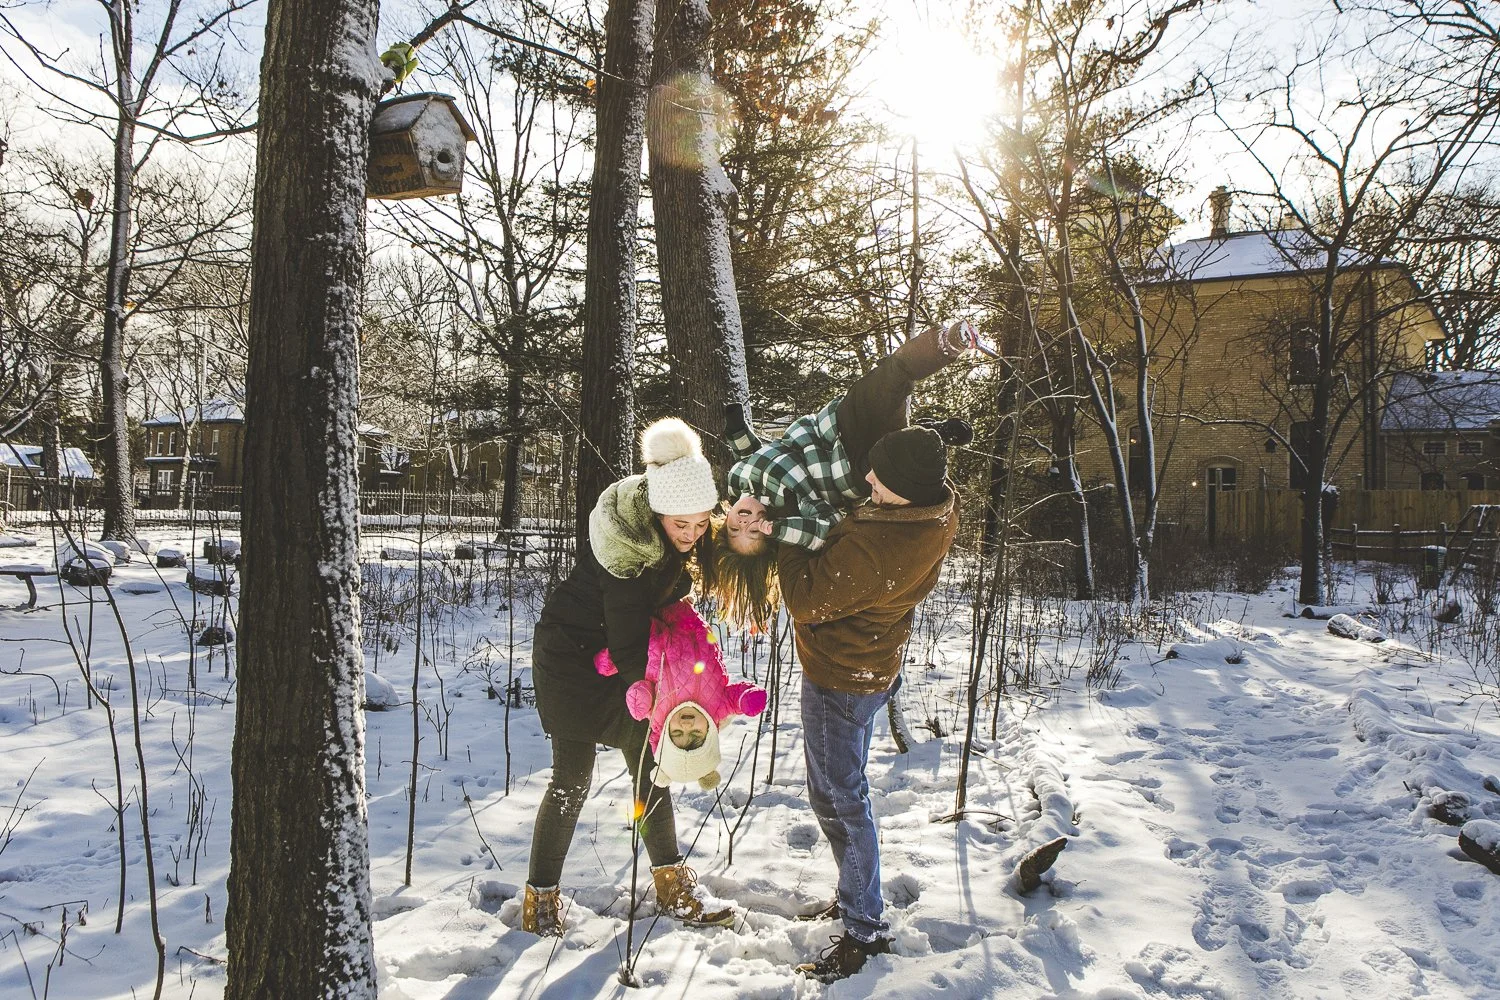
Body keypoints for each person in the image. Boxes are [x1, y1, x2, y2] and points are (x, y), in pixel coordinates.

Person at [523, 417, 733, 937]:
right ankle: (540, 898)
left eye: (702, 523)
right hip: (573, 659)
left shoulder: (686, 528)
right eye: (680, 525)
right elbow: (623, 636)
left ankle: (670, 885)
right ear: (658, 511)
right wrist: (659, 693)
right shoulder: (626, 549)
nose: (691, 535)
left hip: (626, 657)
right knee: (572, 780)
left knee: (650, 769)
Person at [777, 424, 961, 982]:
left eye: (880, 486)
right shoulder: (932, 508)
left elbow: (806, 599)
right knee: (830, 790)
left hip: (843, 678)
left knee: (841, 797)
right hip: (860, 666)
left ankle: (863, 929)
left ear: (908, 490)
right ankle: (855, 895)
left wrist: (787, 535)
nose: (867, 488)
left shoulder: (887, 546)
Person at [713, 320, 978, 629]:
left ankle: (943, 343)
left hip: (829, 431)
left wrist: (736, 430)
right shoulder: (788, 514)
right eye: (754, 532)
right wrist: (783, 525)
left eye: (735, 530)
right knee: (895, 456)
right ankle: (931, 436)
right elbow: (824, 528)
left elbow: (751, 454)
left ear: (726, 519)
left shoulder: (737, 482)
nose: (746, 523)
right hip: (849, 472)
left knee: (884, 382)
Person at [594, 598, 769, 788]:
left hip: (651, 631)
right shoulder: (717, 708)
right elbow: (736, 698)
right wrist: (748, 699)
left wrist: (640, 700)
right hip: (687, 619)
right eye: (695, 732)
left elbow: (640, 691)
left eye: (677, 732)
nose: (686, 725)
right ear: (709, 735)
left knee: (612, 655)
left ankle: (613, 655)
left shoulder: (658, 716)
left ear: (666, 738)